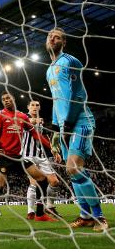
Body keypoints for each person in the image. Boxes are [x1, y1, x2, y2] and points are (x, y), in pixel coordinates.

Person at [46, 27, 108, 231]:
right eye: (50, 36)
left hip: (80, 120)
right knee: (71, 173)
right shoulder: (49, 70)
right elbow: (56, 101)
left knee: (74, 168)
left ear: (64, 42)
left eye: (57, 37)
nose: (52, 39)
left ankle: (99, 217)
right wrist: (56, 132)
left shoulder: (70, 62)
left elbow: (75, 95)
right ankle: (85, 216)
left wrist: (69, 122)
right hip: (64, 127)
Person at [0, 92, 56, 223]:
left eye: (8, 98)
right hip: (5, 157)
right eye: (3, 99)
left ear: (13, 99)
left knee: (42, 179)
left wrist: (50, 146)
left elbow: (35, 134)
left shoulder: (22, 116)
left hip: (19, 157)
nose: (6, 100)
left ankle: (40, 214)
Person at [24, 100, 61, 219]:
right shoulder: (24, 117)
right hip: (27, 155)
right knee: (34, 183)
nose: (35, 107)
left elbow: (44, 137)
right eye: (32, 105)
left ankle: (49, 206)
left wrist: (54, 150)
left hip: (41, 155)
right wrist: (34, 120)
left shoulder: (41, 121)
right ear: (28, 107)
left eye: (37, 105)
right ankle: (30, 211)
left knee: (54, 181)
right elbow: (24, 122)